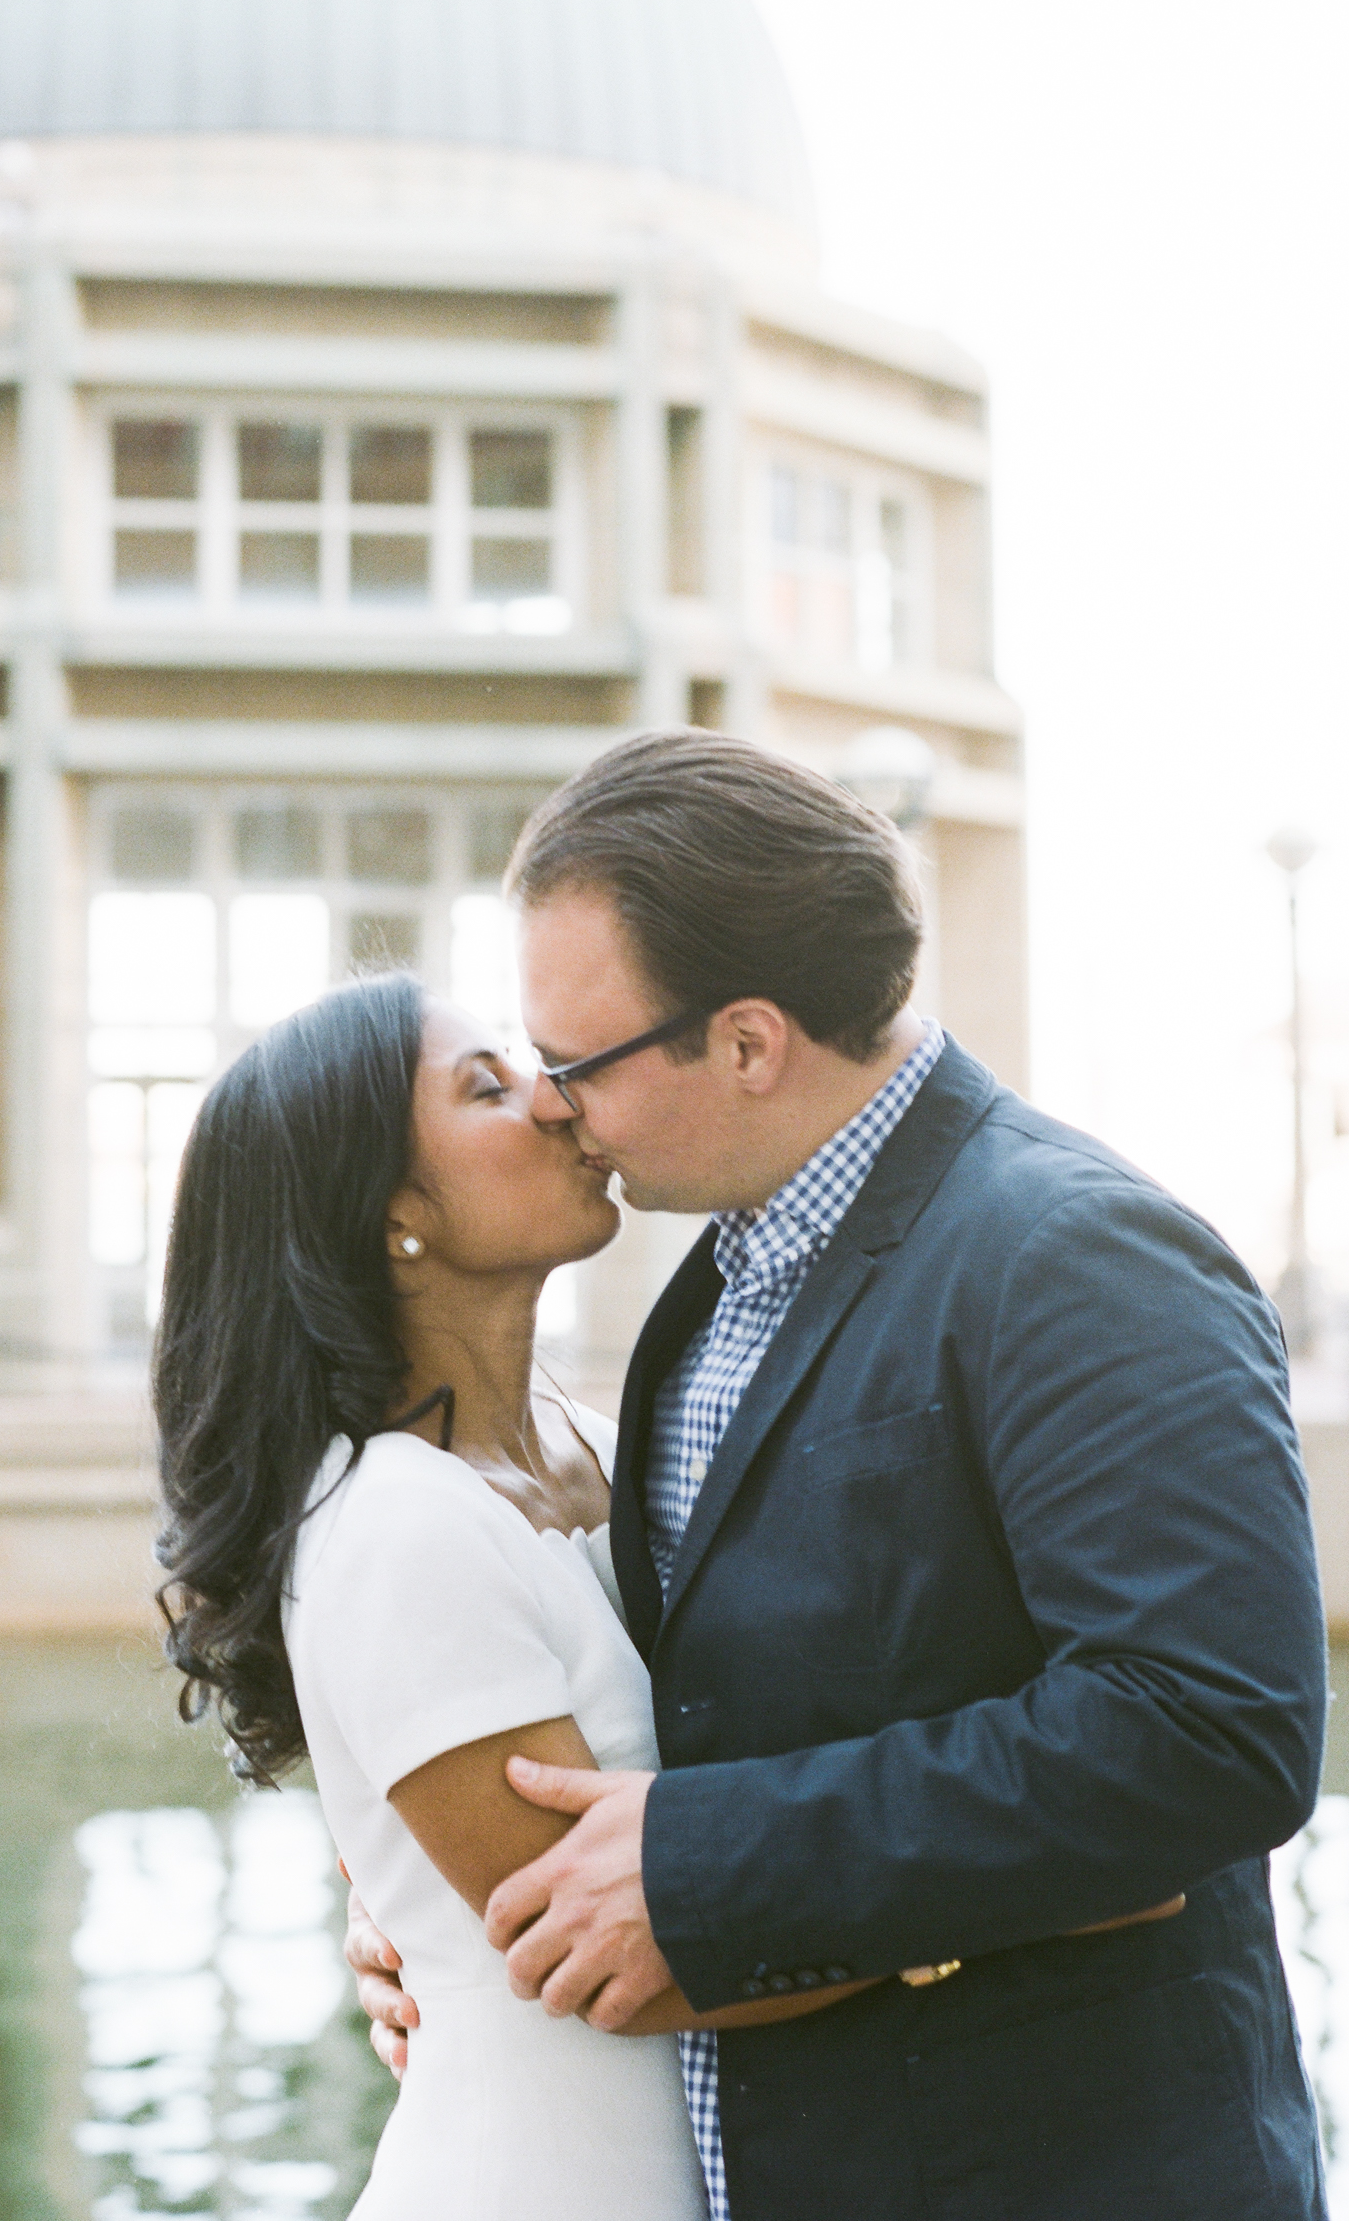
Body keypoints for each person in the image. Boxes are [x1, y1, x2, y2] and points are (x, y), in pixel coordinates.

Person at [349, 730, 1329, 2221]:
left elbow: (1211, 1727)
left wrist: (706, 1869)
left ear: (746, 1043)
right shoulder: (706, 1286)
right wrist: (455, 1922)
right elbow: (703, 1701)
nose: (555, 1106)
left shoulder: (1072, 1250)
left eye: (577, 1064)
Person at [152, 971, 890, 2219]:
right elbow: (628, 1960)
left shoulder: (603, 1441)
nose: (555, 1099)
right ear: (391, 1212)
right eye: (485, 1086)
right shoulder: (393, 1525)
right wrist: (1001, 1903)